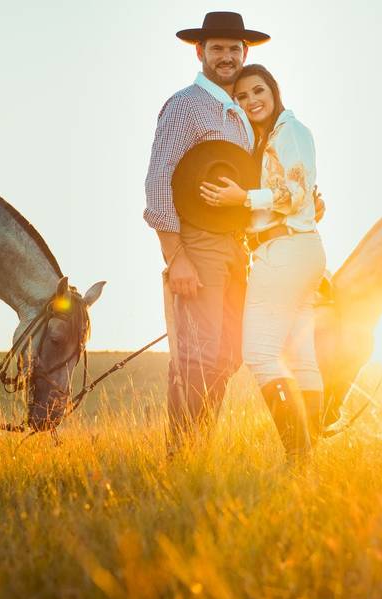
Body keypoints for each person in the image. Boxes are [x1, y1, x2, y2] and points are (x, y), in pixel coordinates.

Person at [143, 12, 270, 454]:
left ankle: (199, 443)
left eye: (234, 49)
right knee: (197, 355)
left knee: (232, 352)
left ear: (245, 53)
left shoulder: (239, 114)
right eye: (217, 48)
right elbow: (158, 182)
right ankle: (183, 456)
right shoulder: (186, 106)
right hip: (198, 243)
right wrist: (175, 254)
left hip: (236, 247)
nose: (227, 56)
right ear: (200, 52)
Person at [200, 64, 326, 463]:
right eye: (242, 97)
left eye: (259, 92)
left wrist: (243, 199)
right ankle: (308, 457)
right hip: (297, 249)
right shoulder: (270, 137)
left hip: (286, 251)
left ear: (274, 93)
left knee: (259, 353)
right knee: (300, 355)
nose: (252, 101)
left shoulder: (292, 131)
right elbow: (302, 194)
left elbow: (294, 190)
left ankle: (297, 454)